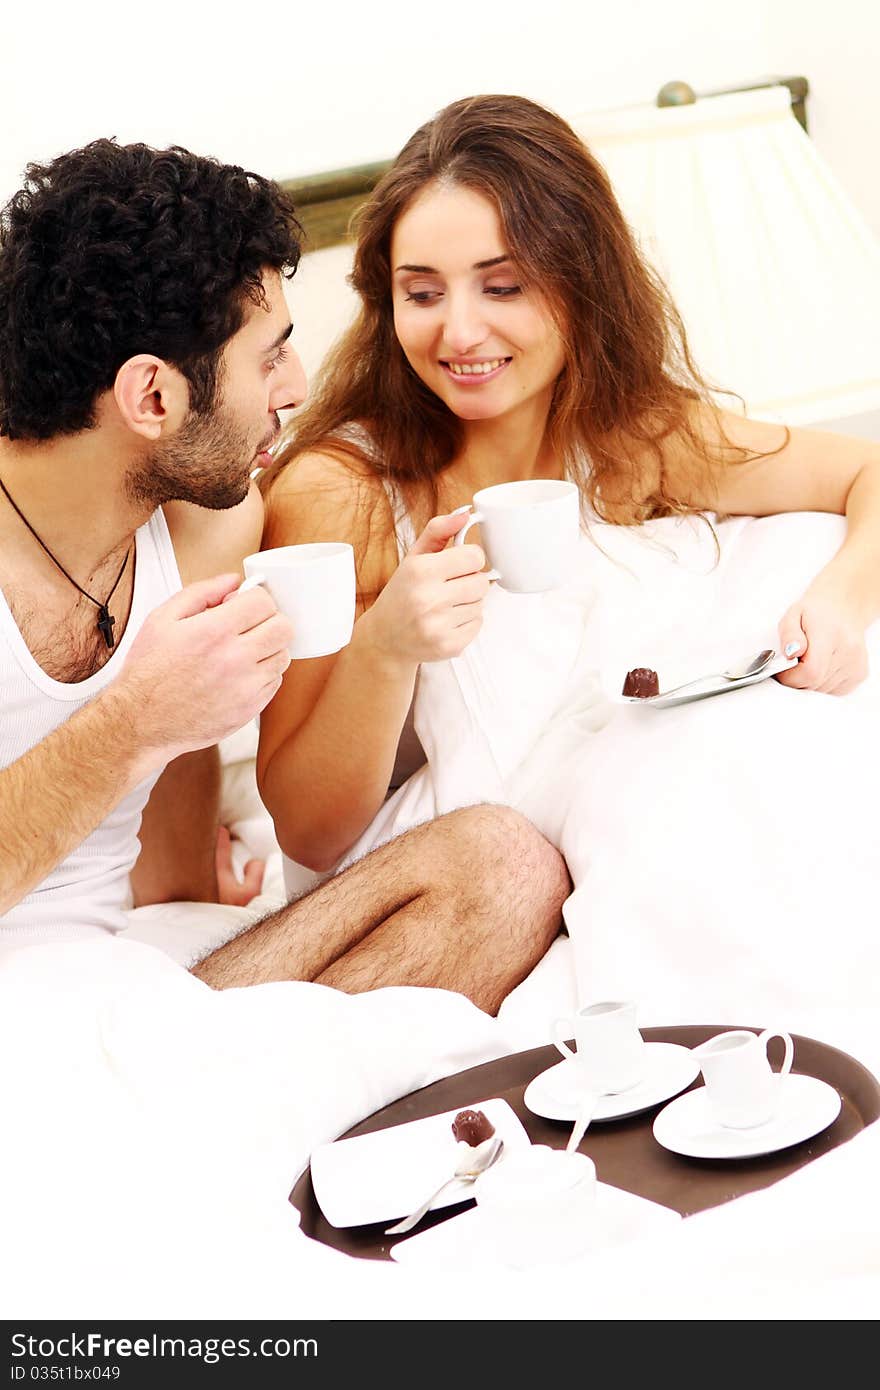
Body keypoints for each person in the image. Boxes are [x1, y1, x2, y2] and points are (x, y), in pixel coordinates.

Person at [0, 137, 570, 1012]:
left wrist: (186, 899)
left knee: (504, 869)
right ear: (153, 396)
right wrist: (133, 722)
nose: (298, 386)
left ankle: (196, 1087)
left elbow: (181, 752)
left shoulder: (211, 529)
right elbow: (149, 724)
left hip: (115, 986)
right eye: (269, 357)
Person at [256, 92, 880, 882]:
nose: (459, 332)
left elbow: (868, 472)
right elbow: (309, 837)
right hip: (444, 888)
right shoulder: (341, 491)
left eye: (503, 286)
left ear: (581, 284)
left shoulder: (634, 442)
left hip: (630, 847)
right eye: (422, 293)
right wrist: (386, 647)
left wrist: (842, 606)